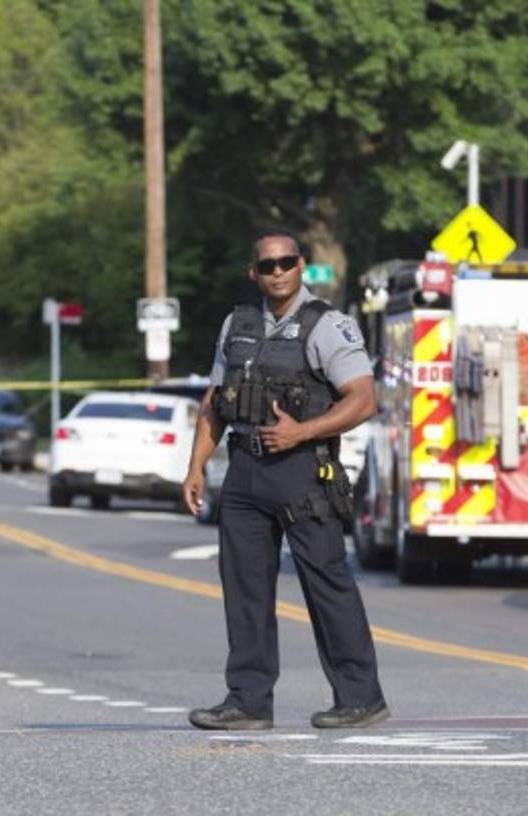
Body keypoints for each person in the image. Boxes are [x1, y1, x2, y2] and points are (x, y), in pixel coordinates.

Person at [182, 230, 388, 731]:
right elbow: (215, 402)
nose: (278, 272)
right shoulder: (238, 324)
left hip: (302, 471)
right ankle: (248, 701)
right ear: (254, 272)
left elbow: (363, 398)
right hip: (246, 471)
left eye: (287, 262)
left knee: (327, 585)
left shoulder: (327, 325)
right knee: (244, 589)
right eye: (268, 265)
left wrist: (303, 431)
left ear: (301, 266)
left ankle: (360, 697)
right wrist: (195, 468)